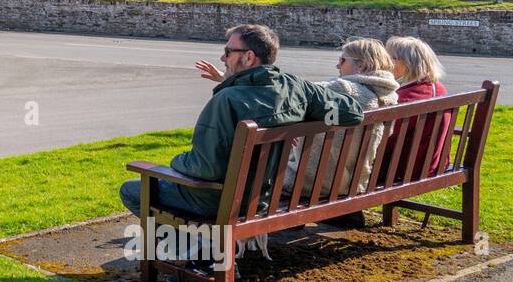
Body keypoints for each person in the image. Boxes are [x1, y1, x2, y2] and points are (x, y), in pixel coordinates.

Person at [119, 23, 364, 220]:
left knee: (132, 189)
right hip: (266, 195)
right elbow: (352, 111)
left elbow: (205, 169)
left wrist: (175, 162)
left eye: (228, 52)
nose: (222, 57)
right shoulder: (296, 87)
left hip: (224, 202)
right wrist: (301, 115)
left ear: (248, 57)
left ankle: (196, 251)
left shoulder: (227, 100)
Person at [281, 38, 399, 224]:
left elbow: (295, 92)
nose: (337, 65)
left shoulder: (343, 89)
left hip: (313, 182)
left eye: (343, 60)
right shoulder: (389, 95)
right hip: (354, 182)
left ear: (361, 65)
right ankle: (344, 214)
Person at [385, 35, 453, 181]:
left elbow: (385, 139)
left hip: (404, 171)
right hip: (433, 165)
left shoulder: (406, 96)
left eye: (389, 58)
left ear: (407, 64)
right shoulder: (437, 88)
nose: (383, 63)